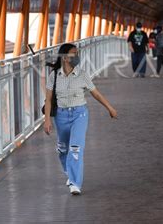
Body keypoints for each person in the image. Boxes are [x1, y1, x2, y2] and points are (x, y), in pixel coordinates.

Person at [43, 43, 118, 195]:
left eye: (77, 53)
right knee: (63, 149)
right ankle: (69, 172)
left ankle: (75, 183)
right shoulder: (54, 76)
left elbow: (95, 93)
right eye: (73, 54)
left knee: (75, 148)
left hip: (80, 114)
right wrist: (47, 120)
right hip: (61, 116)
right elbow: (49, 99)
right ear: (64, 58)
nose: (77, 57)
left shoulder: (82, 74)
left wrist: (109, 108)